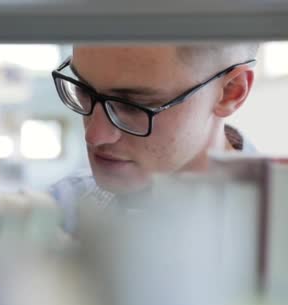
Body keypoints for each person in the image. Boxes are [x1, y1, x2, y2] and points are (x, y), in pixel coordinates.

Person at [50, 44, 258, 233]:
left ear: (231, 92)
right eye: (82, 90)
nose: (94, 136)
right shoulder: (60, 211)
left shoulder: (273, 233)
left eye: (132, 104)